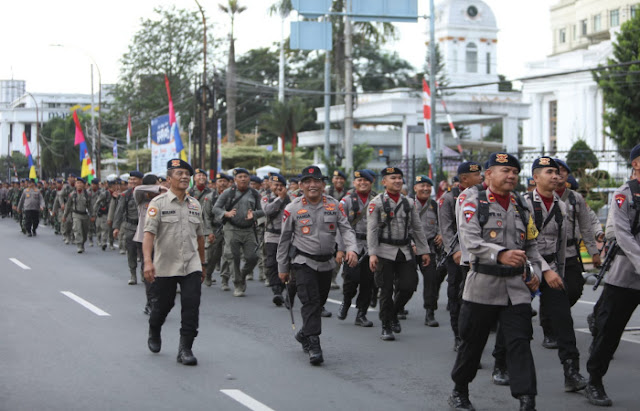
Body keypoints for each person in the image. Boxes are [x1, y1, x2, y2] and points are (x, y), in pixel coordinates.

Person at [448, 153, 545, 411]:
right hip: (482, 285)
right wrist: (500, 254)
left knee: (519, 342)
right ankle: (460, 390)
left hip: (516, 289)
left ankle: (527, 399)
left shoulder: (522, 205)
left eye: (514, 171)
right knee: (473, 342)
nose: (511, 175)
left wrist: (535, 272)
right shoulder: (471, 200)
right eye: (505, 170)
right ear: (488, 174)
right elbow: (470, 242)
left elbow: (532, 246)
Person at [277, 165, 358, 365]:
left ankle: (305, 332)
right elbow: (284, 240)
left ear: (323, 184)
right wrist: (282, 268)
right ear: (301, 185)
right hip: (303, 262)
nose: (312, 185)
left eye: (316, 181)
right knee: (311, 302)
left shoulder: (334, 205)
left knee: (319, 301)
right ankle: (314, 345)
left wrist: (351, 249)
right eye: (307, 182)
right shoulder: (293, 208)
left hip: (326, 264)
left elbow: (346, 229)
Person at [585, 144, 640, 406]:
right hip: (626, 276)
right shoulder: (624, 195)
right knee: (609, 332)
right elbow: (622, 234)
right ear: (636, 164)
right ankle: (594, 380)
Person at [526, 157, 587, 393]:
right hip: (526, 270)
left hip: (551, 270)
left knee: (564, 321)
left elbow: (560, 246)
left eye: (556, 172)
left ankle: (571, 371)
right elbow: (527, 245)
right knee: (516, 320)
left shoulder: (562, 206)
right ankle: (501, 363)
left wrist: (556, 271)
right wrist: (545, 270)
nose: (555, 176)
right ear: (535, 178)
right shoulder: (524, 205)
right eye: (549, 172)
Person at [143, 158, 205, 366]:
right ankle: (155, 327)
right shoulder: (157, 204)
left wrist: (203, 264)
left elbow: (200, 237)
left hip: (191, 264)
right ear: (169, 179)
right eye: (179, 173)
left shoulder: (195, 204)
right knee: (163, 304)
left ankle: (185, 349)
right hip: (165, 264)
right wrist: (147, 262)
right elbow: (149, 234)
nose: (185, 177)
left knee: (191, 306)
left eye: (187, 174)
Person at [367, 167, 431, 341]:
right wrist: (372, 254)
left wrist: (424, 251)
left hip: (404, 251)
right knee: (386, 290)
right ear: (384, 182)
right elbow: (372, 229)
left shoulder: (409, 203)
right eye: (393, 178)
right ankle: (386, 325)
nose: (397, 181)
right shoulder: (376, 203)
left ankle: (394, 313)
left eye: (399, 178)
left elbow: (417, 228)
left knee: (409, 286)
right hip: (383, 251)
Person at [549, 158, 601, 349]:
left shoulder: (574, 198)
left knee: (575, 288)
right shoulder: (540, 197)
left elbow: (587, 227)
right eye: (554, 171)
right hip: (547, 253)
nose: (559, 174)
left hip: (570, 252)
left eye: (563, 170)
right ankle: (549, 330)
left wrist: (594, 252)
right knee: (551, 291)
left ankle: (556, 314)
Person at [438, 161, 483, 351]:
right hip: (456, 254)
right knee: (457, 295)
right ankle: (459, 336)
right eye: (476, 175)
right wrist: (455, 250)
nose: (480, 177)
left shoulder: (483, 196)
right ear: (464, 178)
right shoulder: (449, 198)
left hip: (477, 253)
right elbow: (446, 229)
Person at [213, 168, 264, 297]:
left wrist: (254, 214)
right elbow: (216, 208)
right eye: (240, 176)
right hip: (231, 228)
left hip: (248, 229)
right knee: (232, 256)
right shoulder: (228, 193)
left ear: (249, 179)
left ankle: (242, 275)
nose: (243, 179)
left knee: (253, 257)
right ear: (235, 179)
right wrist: (226, 213)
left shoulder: (254, 193)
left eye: (245, 176)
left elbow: (261, 210)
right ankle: (237, 285)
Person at [336, 170, 376, 327]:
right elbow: (340, 227)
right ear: (354, 183)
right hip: (352, 245)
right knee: (351, 279)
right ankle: (346, 302)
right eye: (359, 180)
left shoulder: (378, 200)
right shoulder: (346, 201)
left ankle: (361, 314)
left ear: (371, 182)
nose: (363, 183)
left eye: (366, 180)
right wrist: (340, 249)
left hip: (371, 247)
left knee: (368, 282)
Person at [412, 175, 444, 327]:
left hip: (429, 248)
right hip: (410, 249)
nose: (425, 188)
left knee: (431, 280)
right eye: (422, 185)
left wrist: (440, 234)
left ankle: (429, 312)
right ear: (415, 188)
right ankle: (398, 307)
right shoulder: (408, 204)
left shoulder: (434, 205)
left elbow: (441, 223)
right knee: (408, 282)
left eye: (428, 186)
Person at [134, 174, 166, 315]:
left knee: (160, 271)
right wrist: (159, 187)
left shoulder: (163, 201)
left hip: (161, 240)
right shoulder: (142, 199)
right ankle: (151, 301)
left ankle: (158, 299)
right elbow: (137, 189)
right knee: (148, 270)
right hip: (144, 240)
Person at [261, 173, 291, 306]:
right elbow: (267, 211)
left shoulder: (291, 199)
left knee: (286, 262)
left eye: (280, 185)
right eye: (275, 185)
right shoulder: (266, 197)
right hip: (272, 235)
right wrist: (280, 199)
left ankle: (285, 287)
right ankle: (276, 290)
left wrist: (285, 198)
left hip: (288, 236)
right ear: (270, 185)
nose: (278, 187)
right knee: (272, 262)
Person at [202, 173, 233, 288]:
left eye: (225, 181)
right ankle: (208, 275)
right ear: (215, 184)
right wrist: (209, 232)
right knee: (211, 255)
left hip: (229, 228)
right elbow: (206, 216)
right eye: (220, 181)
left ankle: (225, 280)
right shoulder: (210, 197)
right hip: (215, 229)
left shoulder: (233, 197)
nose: (223, 183)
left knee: (228, 254)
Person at [113, 171, 144, 285]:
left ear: (141, 180)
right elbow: (119, 211)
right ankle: (133, 274)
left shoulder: (147, 193)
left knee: (144, 252)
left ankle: (144, 273)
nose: (132, 182)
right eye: (130, 180)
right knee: (131, 251)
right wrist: (116, 227)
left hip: (144, 227)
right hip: (130, 227)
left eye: (134, 179)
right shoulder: (126, 195)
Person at [63, 178, 92, 253]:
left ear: (83, 184)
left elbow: (90, 206)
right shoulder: (72, 195)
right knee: (77, 229)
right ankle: (79, 245)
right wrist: (65, 216)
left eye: (80, 183)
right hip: (76, 214)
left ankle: (82, 243)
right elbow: (68, 206)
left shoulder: (87, 194)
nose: (79, 184)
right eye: (77, 183)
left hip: (85, 215)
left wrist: (93, 215)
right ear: (75, 185)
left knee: (84, 232)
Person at [92, 181, 111, 251]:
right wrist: (94, 213)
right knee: (101, 228)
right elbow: (97, 202)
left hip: (112, 213)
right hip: (103, 213)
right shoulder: (104, 193)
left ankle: (109, 242)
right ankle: (103, 242)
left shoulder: (116, 193)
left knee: (108, 229)